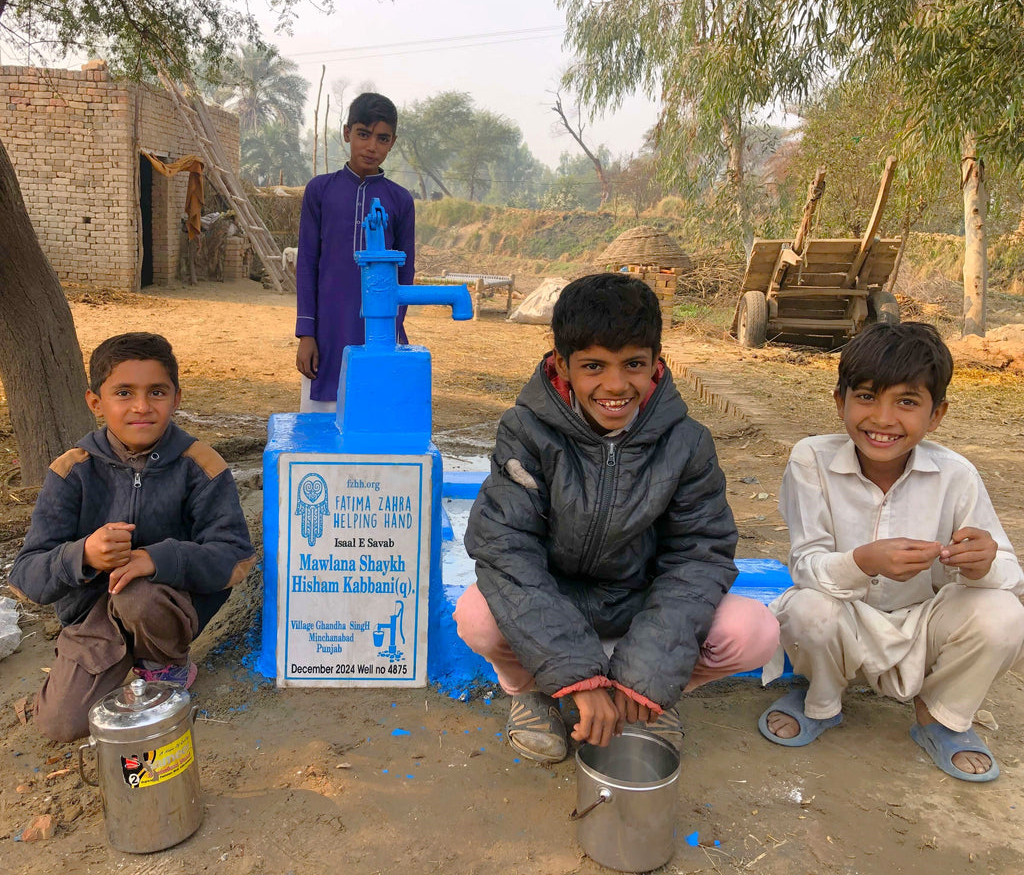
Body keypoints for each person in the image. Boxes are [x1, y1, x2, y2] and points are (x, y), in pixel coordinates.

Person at [454, 273, 780, 763]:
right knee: (476, 614)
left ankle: (651, 702)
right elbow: (505, 549)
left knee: (754, 631)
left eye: (633, 365)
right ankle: (533, 694)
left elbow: (699, 557)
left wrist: (648, 674)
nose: (615, 385)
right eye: (593, 366)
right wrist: (577, 677)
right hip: (555, 599)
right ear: (561, 364)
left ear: (656, 363)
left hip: (639, 606)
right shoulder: (524, 431)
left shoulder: (687, 444)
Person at [759, 322, 1024, 782]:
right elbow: (806, 565)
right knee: (807, 610)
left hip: (925, 623)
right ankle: (821, 699)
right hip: (846, 617)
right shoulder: (811, 460)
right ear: (840, 401)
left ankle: (939, 717)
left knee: (1004, 613)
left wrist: (982, 564)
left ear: (936, 415)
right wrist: (863, 562)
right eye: (866, 397)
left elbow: (1008, 571)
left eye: (906, 402)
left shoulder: (955, 475)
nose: (882, 419)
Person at [10, 333, 255, 742]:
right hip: (93, 616)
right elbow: (26, 576)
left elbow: (235, 558)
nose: (142, 406)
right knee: (59, 726)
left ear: (176, 398)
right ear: (95, 402)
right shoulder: (72, 471)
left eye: (156, 392)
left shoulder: (201, 465)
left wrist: (159, 559)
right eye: (124, 392)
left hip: (164, 608)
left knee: (137, 593)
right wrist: (83, 554)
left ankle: (165, 666)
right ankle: (93, 663)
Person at [295, 92, 415, 412]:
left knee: (379, 416)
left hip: (381, 333)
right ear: (347, 133)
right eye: (363, 134)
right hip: (327, 332)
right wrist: (306, 333)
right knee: (322, 426)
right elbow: (306, 263)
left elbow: (406, 273)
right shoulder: (320, 191)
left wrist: (392, 329)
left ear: (393, 142)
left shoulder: (400, 200)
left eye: (382, 138)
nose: (371, 146)